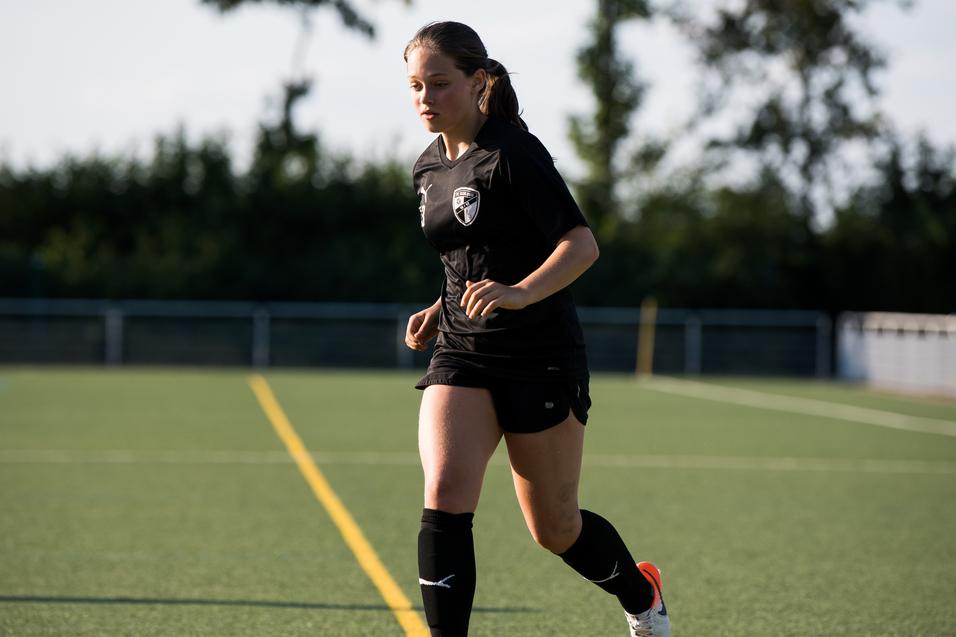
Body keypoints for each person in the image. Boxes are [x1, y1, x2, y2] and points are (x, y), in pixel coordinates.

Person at [403, 21, 671, 637]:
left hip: (540, 357)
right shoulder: (426, 167)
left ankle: (641, 594)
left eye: (439, 84)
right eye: (416, 86)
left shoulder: (514, 153)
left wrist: (521, 294)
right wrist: (440, 308)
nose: (426, 98)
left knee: (555, 528)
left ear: (477, 82)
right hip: (462, 354)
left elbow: (581, 246)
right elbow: (468, 259)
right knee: (443, 491)